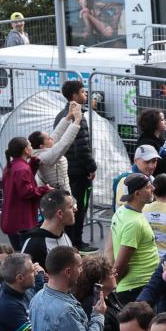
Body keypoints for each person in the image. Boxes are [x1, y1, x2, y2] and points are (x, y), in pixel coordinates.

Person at [52, 80, 95, 250]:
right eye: (83, 92)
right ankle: (77, 242)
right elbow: (82, 146)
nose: (86, 95)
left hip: (67, 171)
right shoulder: (78, 118)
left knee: (70, 206)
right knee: (79, 207)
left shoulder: (62, 115)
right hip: (79, 173)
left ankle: (71, 241)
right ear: (74, 96)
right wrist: (91, 167)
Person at [110, 175, 161, 311]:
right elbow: (120, 264)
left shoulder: (120, 212)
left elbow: (109, 248)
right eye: (148, 187)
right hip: (137, 289)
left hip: (135, 287)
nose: (153, 188)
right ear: (137, 193)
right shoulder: (134, 223)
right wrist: (112, 285)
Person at [0, 136, 50, 249]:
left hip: (11, 219)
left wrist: (33, 164)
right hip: (22, 221)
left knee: (18, 251)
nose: (32, 148)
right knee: (24, 254)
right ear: (26, 150)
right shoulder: (22, 169)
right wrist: (44, 189)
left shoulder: (11, 166)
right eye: (30, 146)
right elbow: (26, 192)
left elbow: (21, 183)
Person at [17, 190, 75, 271]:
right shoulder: (33, 246)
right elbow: (26, 280)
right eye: (71, 207)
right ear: (60, 214)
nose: (75, 209)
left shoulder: (63, 234)